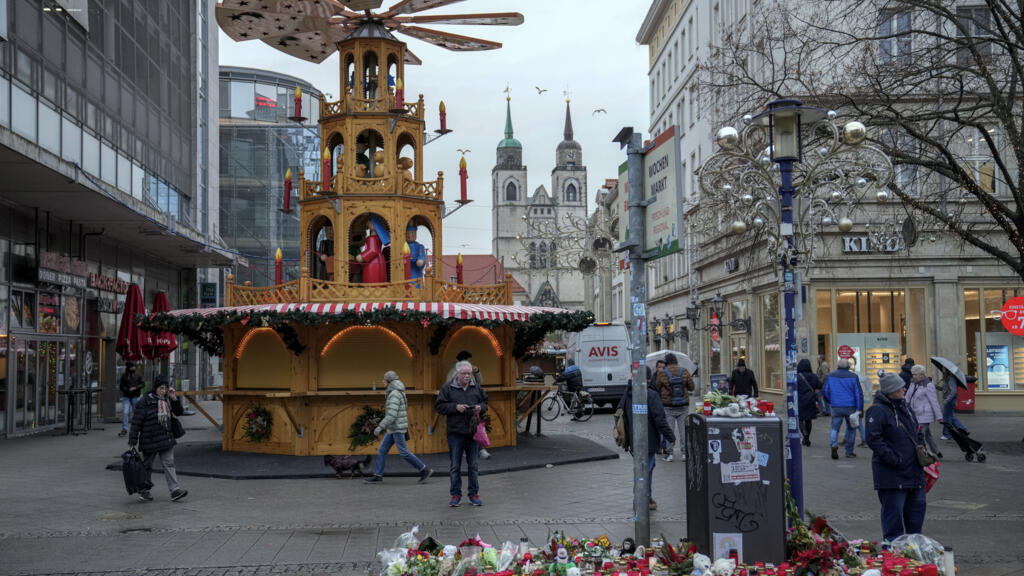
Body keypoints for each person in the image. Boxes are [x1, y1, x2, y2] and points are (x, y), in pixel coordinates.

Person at [865, 372, 927, 542]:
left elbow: (917, 431)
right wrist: (894, 459)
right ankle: (893, 557)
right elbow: (873, 439)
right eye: (901, 387)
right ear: (891, 390)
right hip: (892, 476)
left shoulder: (905, 407)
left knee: (915, 523)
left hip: (914, 474)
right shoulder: (877, 411)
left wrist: (922, 449)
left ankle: (914, 555)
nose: (904, 389)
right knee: (893, 524)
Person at [435, 360, 488, 507]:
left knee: (473, 465)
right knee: (455, 466)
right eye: (464, 373)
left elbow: (485, 404)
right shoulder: (447, 388)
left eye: (469, 373)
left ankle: (474, 494)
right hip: (455, 432)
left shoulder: (476, 388)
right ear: (457, 374)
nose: (467, 376)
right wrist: (455, 407)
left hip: (472, 432)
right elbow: (439, 406)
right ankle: (455, 495)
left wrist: (479, 407)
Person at [365, 371, 433, 484]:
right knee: (382, 450)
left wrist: (380, 426)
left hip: (397, 428)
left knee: (404, 452)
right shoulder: (396, 391)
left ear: (389, 381)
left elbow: (392, 415)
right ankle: (378, 475)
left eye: (384, 379)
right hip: (393, 428)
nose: (382, 381)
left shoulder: (394, 394)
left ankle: (424, 470)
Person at [618, 377, 675, 511]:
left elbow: (622, 413)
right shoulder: (651, 394)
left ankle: (645, 498)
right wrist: (670, 436)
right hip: (648, 440)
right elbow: (659, 419)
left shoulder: (628, 393)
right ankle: (640, 500)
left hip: (634, 439)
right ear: (648, 379)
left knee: (642, 468)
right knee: (646, 470)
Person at [128, 376, 187, 502]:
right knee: (147, 466)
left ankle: (175, 490)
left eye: (165, 388)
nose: (164, 390)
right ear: (155, 388)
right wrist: (132, 441)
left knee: (169, 463)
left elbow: (179, 412)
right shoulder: (145, 402)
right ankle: (144, 491)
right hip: (149, 439)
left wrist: (174, 398)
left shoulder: (167, 399)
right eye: (161, 388)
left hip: (166, 438)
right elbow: (136, 422)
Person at [655, 353, 694, 462]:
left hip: (668, 406)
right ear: (676, 361)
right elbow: (692, 387)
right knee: (683, 431)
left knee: (669, 430)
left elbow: (657, 387)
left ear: (666, 362)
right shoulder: (684, 371)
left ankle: (670, 454)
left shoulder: (662, 373)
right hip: (683, 406)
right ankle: (685, 454)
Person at [823, 359, 864, 459]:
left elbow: (825, 391)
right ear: (848, 366)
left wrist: (830, 401)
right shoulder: (854, 376)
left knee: (834, 428)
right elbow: (859, 394)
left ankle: (834, 445)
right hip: (851, 406)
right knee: (851, 429)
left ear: (838, 366)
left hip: (836, 406)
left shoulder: (831, 376)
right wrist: (860, 409)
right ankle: (849, 452)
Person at [906, 365, 943, 459]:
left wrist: (939, 416)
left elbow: (934, 401)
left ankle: (922, 454)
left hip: (925, 415)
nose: (914, 376)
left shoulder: (928, 385)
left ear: (922, 375)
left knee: (919, 435)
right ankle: (936, 451)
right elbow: (908, 397)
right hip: (915, 414)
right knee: (927, 435)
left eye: (916, 375)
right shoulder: (913, 383)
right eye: (913, 374)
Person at [937, 367, 969, 439]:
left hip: (950, 401)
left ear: (947, 370)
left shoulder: (951, 378)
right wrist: (935, 386)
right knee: (951, 417)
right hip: (949, 400)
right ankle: (963, 430)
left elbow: (954, 391)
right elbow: (944, 389)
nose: (942, 370)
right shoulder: (947, 378)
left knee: (946, 418)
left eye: (944, 369)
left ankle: (947, 434)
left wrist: (947, 400)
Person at [796, 359, 821, 446]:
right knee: (808, 420)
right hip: (811, 400)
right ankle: (807, 437)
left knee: (800, 419)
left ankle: (804, 434)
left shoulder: (797, 376)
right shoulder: (814, 376)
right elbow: (820, 385)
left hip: (800, 400)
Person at [118, 361, 144, 437]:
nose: (134, 367)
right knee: (125, 412)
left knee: (136, 413)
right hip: (127, 397)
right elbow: (121, 386)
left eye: (134, 366)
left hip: (136, 396)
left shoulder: (138, 375)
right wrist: (127, 389)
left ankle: (137, 428)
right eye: (132, 366)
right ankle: (125, 429)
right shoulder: (124, 376)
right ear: (129, 367)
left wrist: (135, 388)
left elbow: (143, 384)